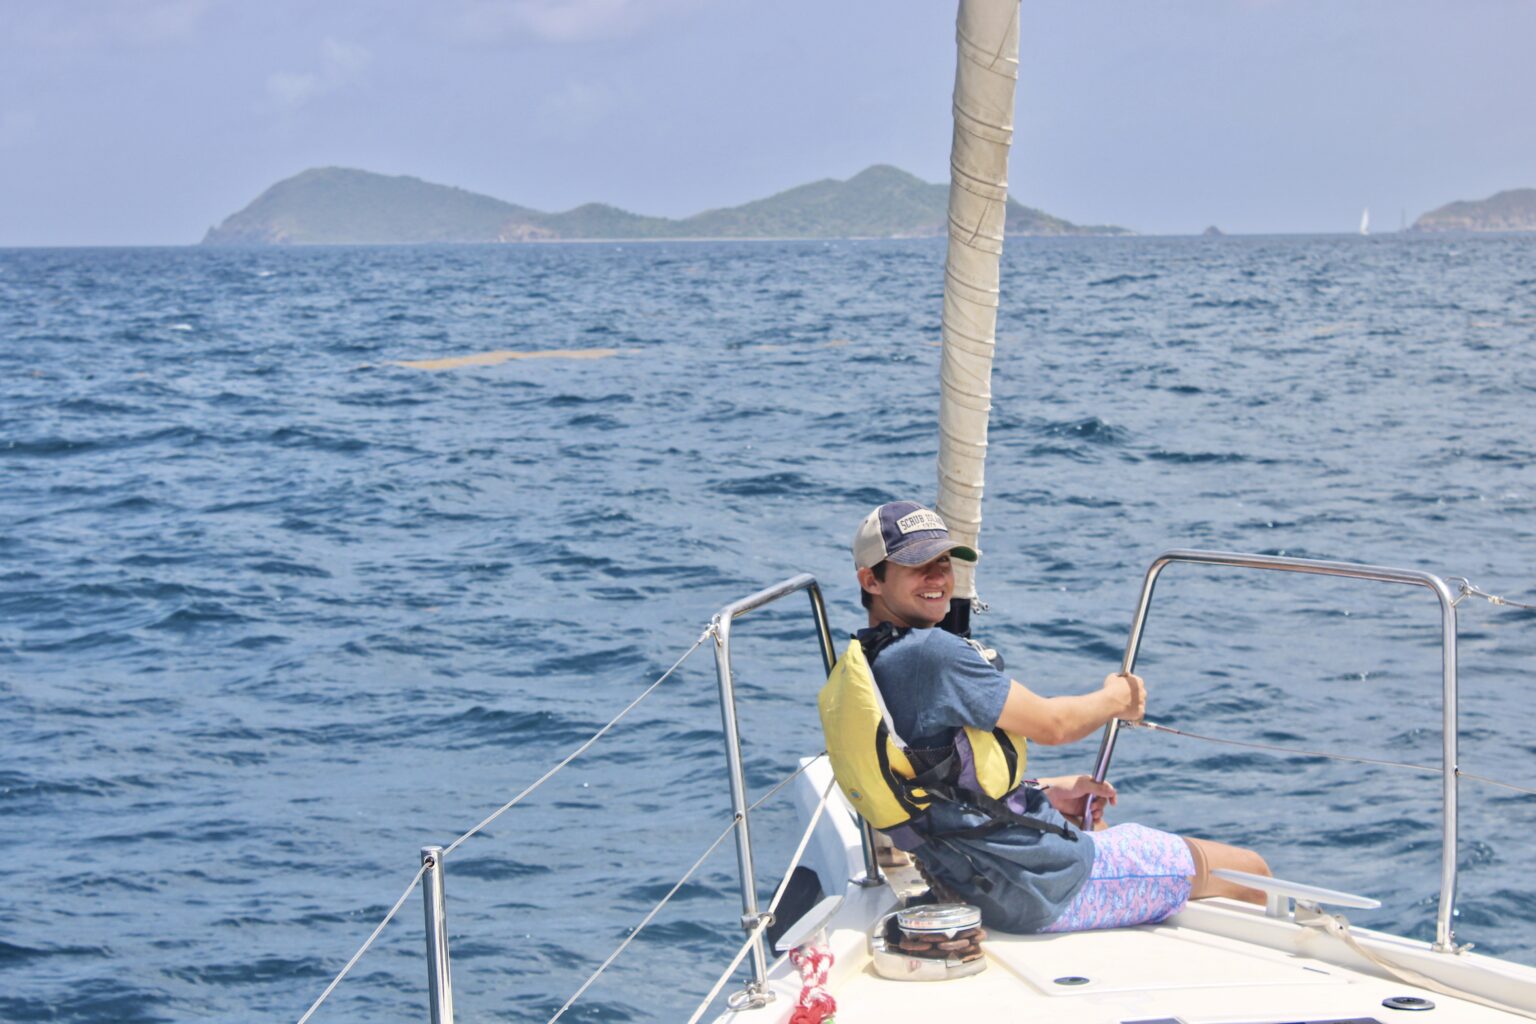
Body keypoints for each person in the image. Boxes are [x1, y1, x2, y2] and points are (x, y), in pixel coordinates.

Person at [845, 500, 1270, 934]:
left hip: (976, 877)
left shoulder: (873, 661)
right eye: (918, 565)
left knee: (1096, 820)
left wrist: (1048, 789)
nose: (938, 578)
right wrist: (1117, 696)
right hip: (1041, 884)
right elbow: (1054, 725)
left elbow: (933, 784)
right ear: (871, 580)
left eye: (943, 562)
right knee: (1248, 872)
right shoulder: (930, 655)